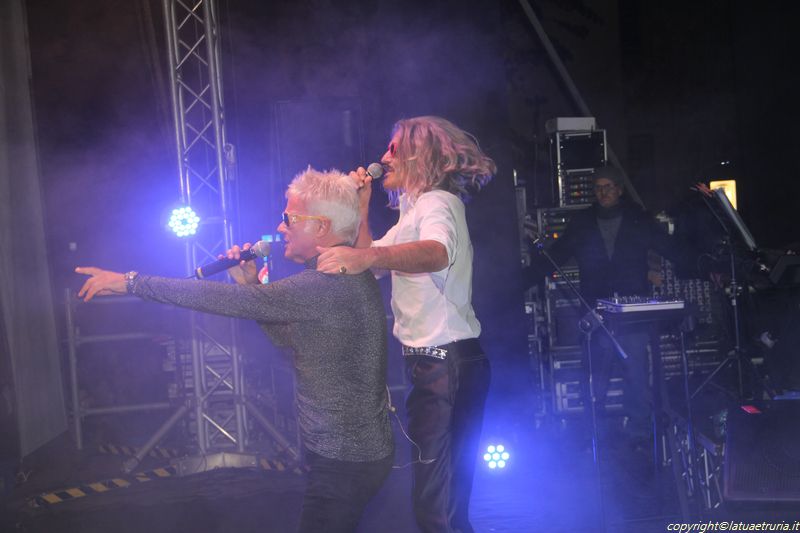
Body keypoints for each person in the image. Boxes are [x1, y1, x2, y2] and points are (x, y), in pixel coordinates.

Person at [76, 167, 394, 533]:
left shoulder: (325, 284)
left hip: (345, 461)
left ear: (321, 227)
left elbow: (214, 297)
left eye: (289, 218)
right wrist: (250, 283)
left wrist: (131, 282)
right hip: (348, 454)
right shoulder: (335, 279)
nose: (280, 227)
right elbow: (289, 339)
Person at [316, 116, 495, 533]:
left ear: (421, 154)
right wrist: (361, 211)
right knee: (435, 501)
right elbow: (367, 265)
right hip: (432, 367)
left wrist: (369, 258)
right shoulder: (415, 208)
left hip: (447, 363)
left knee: (440, 507)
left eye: (394, 149)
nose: (383, 157)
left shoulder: (436, 202)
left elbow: (436, 253)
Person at [526, 165, 680, 445]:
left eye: (609, 186)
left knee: (635, 373)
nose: (603, 192)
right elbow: (556, 256)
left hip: (632, 314)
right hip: (596, 311)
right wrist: (521, 279)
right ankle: (592, 431)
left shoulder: (638, 220)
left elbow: (670, 247)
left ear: (619, 189)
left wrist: (704, 264)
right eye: (599, 187)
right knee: (595, 374)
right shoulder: (583, 223)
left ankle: (640, 432)